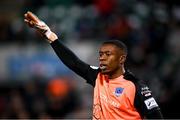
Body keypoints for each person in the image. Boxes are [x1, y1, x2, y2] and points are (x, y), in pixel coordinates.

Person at [24, 11, 163, 119]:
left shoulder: (136, 86)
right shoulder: (98, 77)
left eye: (108, 54)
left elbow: (156, 117)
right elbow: (74, 63)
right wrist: (48, 34)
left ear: (121, 59)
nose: (102, 58)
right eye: (101, 54)